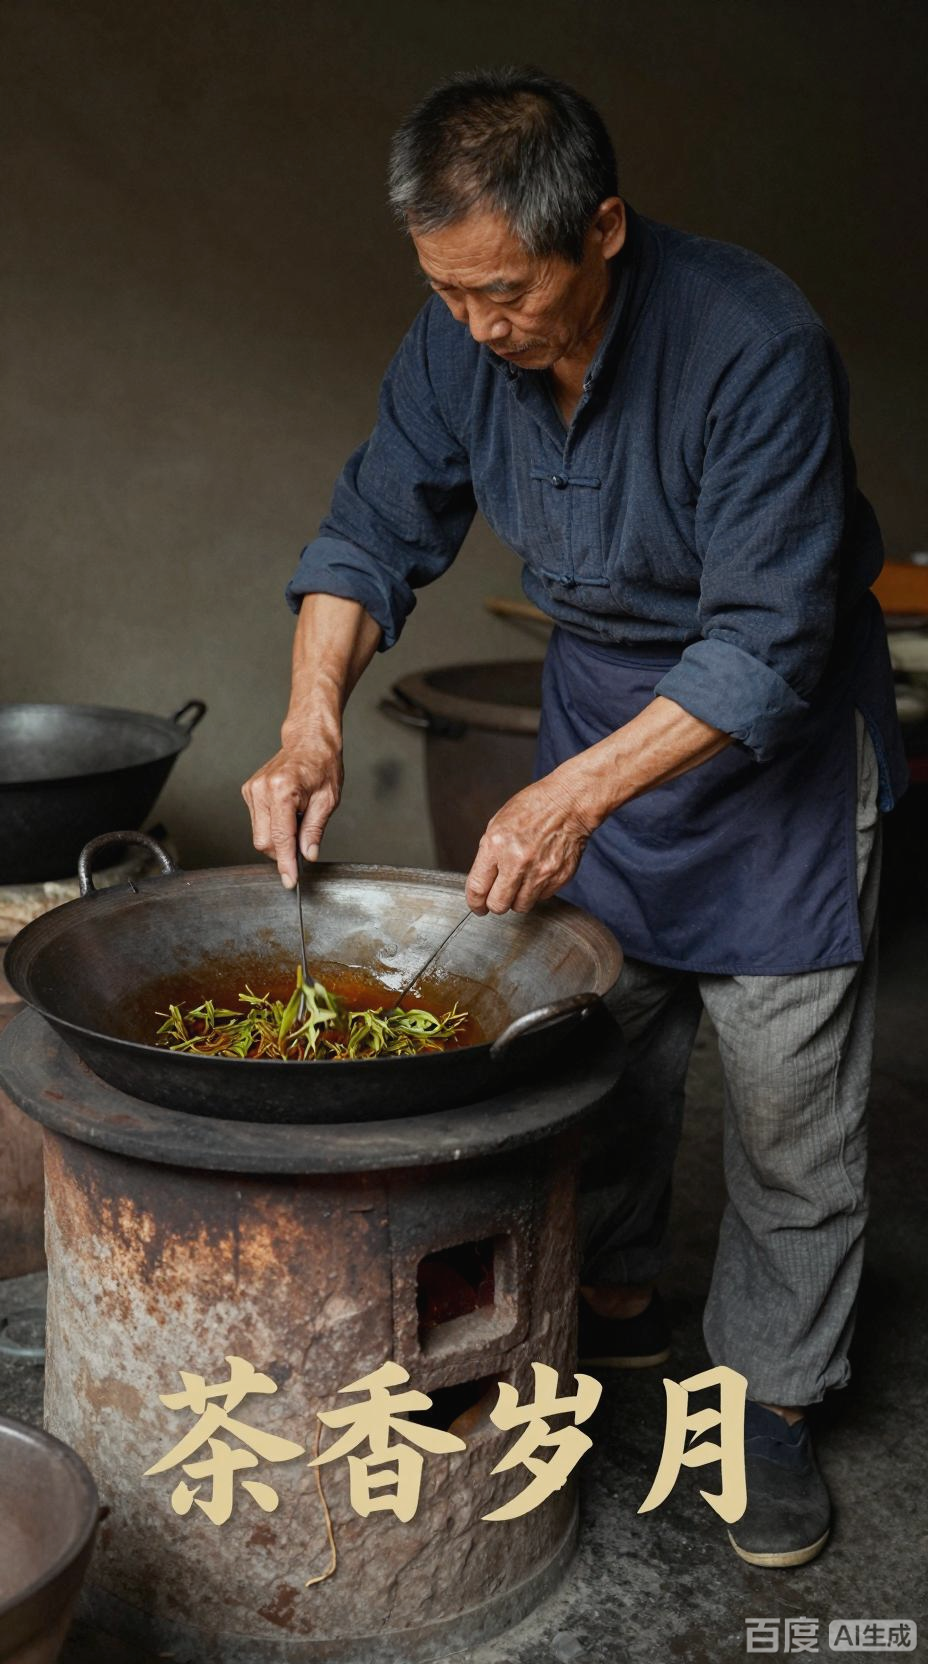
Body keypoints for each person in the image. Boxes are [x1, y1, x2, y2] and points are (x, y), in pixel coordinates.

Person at [242, 67, 906, 1568]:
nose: (480, 326)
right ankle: (614, 1307)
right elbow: (369, 530)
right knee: (602, 1047)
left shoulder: (755, 347)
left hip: (771, 747)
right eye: (448, 291)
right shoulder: (460, 332)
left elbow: (764, 645)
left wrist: (572, 793)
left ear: (601, 228)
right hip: (606, 716)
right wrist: (309, 717)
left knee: (788, 1100)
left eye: (504, 290)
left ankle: (774, 1403)